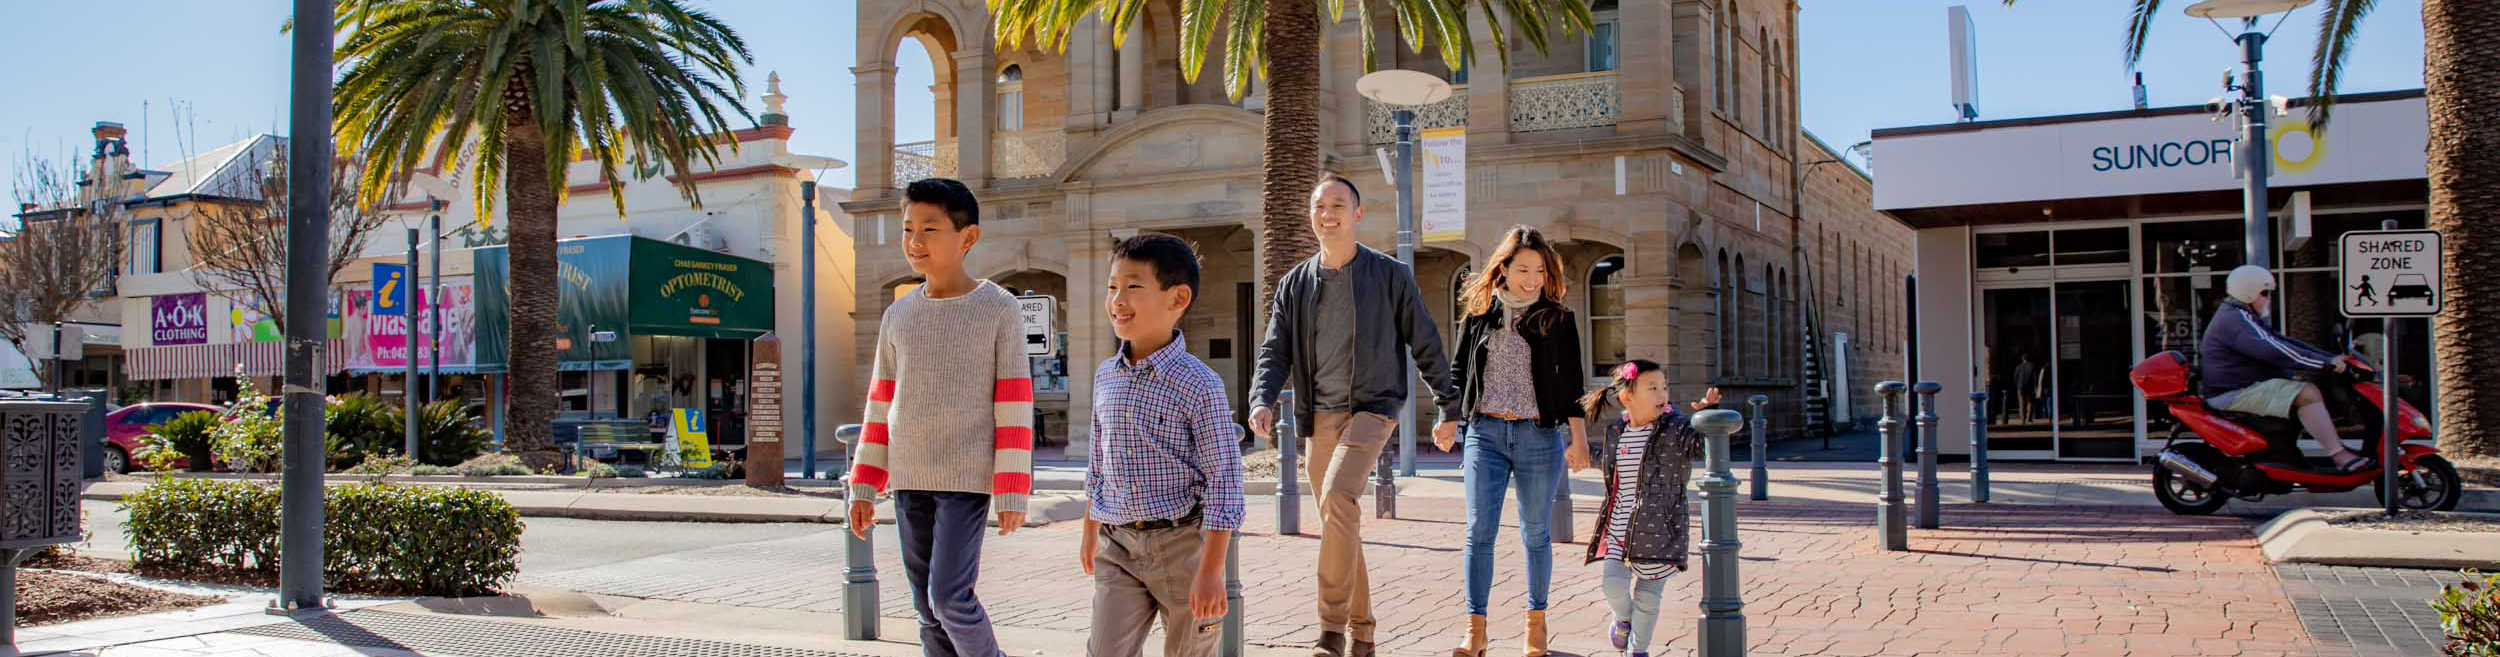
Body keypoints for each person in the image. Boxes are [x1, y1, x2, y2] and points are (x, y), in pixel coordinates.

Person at [1248, 175, 1462, 657]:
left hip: (1373, 408)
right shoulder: (1295, 284)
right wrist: (1261, 398)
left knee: (1338, 497)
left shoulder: (1388, 275)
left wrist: (1448, 406)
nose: (1328, 214)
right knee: (1339, 522)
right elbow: (1273, 350)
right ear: (1311, 215)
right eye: (1319, 206)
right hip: (1317, 416)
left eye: (1338, 205)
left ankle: (1330, 629)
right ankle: (1363, 633)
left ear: (1358, 214)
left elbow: (1424, 340)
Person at [848, 178, 1034, 657]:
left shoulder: (998, 308)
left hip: (966, 477)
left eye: (929, 229)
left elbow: (1013, 400)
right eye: (908, 228)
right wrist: (864, 483)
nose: (915, 240)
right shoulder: (899, 315)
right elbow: (880, 402)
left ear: (968, 237)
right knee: (926, 610)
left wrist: (1012, 486)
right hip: (910, 476)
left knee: (949, 598)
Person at [1081, 234, 1245, 657]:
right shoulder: (1105, 375)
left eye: (1134, 287)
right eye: (1112, 286)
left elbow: (1224, 481)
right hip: (1117, 545)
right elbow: (1098, 462)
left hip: (1184, 547)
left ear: (1178, 298)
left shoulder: (1199, 384)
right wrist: (1089, 531)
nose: (1118, 299)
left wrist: (1211, 570)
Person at [1437, 225, 1593, 657]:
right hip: (1484, 433)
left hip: (1538, 436)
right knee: (1478, 532)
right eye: (1523, 269)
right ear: (1503, 268)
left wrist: (1578, 440)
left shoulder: (1557, 319)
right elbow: (1455, 374)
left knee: (1536, 533)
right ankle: (1476, 629)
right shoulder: (1478, 314)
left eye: (1539, 271)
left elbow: (1573, 386)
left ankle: (1535, 625)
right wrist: (1447, 418)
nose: (1531, 279)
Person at [1579, 359, 1718, 657]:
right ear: (1628, 396)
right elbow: (1611, 466)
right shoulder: (1618, 431)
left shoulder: (1676, 428)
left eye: (1664, 387)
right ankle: (1623, 620)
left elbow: (1704, 447)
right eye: (1652, 387)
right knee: (1613, 585)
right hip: (1619, 527)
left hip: (1662, 529)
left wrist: (1707, 416)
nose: (1662, 394)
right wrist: (1582, 455)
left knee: (1648, 598)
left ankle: (1637, 650)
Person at [2200, 265, 2370, 473]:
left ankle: (2298, 455)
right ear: (2248, 292)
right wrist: (2326, 364)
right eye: (2265, 293)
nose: (2269, 299)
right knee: (2307, 394)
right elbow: (2274, 350)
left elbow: (2283, 341)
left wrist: (2330, 358)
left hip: (2243, 387)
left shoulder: (2241, 315)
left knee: (2302, 391)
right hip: (2233, 393)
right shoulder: (2236, 320)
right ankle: (2339, 455)